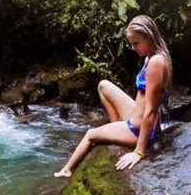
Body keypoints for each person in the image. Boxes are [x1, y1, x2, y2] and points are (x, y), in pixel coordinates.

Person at [54, 15, 172, 177]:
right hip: (135, 117)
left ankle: (66, 170)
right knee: (103, 85)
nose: (132, 47)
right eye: (131, 43)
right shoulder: (150, 58)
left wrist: (138, 152)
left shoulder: (156, 62)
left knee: (90, 134)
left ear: (148, 36)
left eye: (136, 43)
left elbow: (151, 109)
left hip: (136, 129)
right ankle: (115, 126)